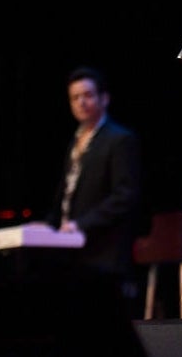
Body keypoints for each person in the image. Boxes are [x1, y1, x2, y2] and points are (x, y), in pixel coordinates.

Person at [44, 66, 143, 300]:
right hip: (73, 251)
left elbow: (124, 195)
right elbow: (67, 194)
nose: (81, 102)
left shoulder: (119, 139)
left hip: (103, 252)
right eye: (75, 98)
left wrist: (81, 224)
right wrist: (49, 225)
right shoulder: (75, 141)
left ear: (104, 98)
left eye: (87, 95)